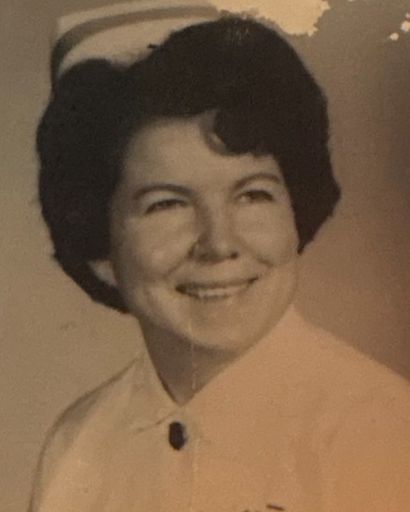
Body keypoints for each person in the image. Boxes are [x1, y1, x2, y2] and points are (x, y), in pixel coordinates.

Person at [30, 2, 410, 511]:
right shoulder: (78, 443)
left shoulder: (381, 431)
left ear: (295, 213)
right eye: (167, 204)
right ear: (99, 243)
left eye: (252, 194)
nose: (219, 243)